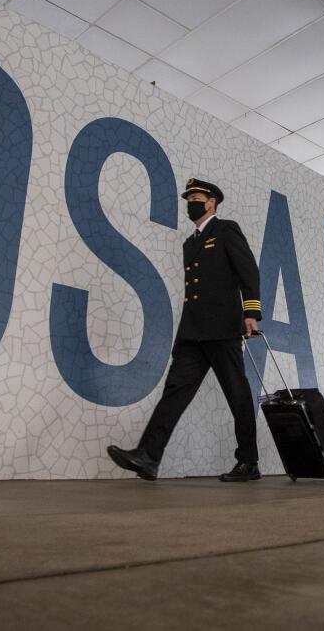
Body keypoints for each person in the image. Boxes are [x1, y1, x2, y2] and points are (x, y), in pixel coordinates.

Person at [106, 178, 264, 482]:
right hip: (192, 332)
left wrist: (251, 312)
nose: (190, 201)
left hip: (222, 329)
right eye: (188, 197)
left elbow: (248, 271)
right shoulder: (189, 243)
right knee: (175, 393)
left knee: (238, 395)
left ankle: (249, 461)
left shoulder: (226, 229)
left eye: (195, 196)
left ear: (211, 202)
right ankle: (148, 456)